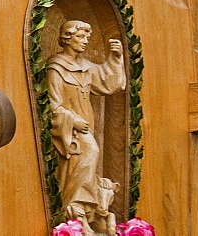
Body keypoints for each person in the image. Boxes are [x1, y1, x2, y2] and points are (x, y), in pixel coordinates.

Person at [46, 20, 126, 234]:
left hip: (85, 126)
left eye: (86, 38)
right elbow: (52, 105)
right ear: (66, 38)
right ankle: (75, 211)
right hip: (68, 131)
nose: (84, 42)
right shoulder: (56, 68)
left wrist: (115, 58)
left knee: (89, 163)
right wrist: (72, 120)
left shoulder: (86, 66)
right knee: (90, 152)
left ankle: (88, 212)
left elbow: (108, 80)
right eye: (80, 37)